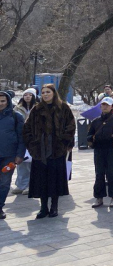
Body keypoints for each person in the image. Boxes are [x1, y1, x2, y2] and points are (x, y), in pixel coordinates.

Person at [23, 84, 75, 219]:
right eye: (43, 92)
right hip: (39, 151)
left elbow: (71, 125)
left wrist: (63, 142)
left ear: (54, 93)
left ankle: (54, 206)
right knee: (41, 179)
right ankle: (43, 207)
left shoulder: (63, 107)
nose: (45, 94)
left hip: (57, 150)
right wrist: (32, 144)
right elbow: (27, 128)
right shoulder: (36, 109)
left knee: (55, 179)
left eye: (48, 92)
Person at [87, 97, 113, 208]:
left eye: (107, 105)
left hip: (112, 148)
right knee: (99, 173)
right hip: (99, 149)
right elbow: (89, 134)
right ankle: (99, 197)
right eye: (103, 104)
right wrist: (92, 139)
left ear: (112, 106)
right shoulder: (95, 121)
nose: (105, 106)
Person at [0, 91, 25, 220]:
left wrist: (20, 155)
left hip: (9, 156)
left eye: (3, 101)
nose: (0, 104)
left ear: (8, 102)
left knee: (4, 183)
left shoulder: (16, 117)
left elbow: (22, 138)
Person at [10, 88, 35, 196]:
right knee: (21, 162)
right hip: (21, 138)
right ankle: (21, 185)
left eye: (30, 95)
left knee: (32, 163)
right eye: (25, 95)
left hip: (34, 138)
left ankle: (31, 185)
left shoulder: (38, 107)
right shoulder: (17, 108)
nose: (28, 97)